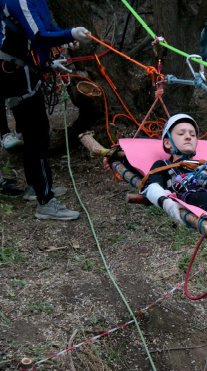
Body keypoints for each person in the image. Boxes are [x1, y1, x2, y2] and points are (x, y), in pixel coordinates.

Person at [0, 0, 92, 220]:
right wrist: (70, 34)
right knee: (37, 133)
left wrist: (49, 61)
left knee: (36, 131)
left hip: (24, 69)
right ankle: (45, 201)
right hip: (14, 73)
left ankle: (35, 187)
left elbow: (45, 27)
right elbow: (38, 35)